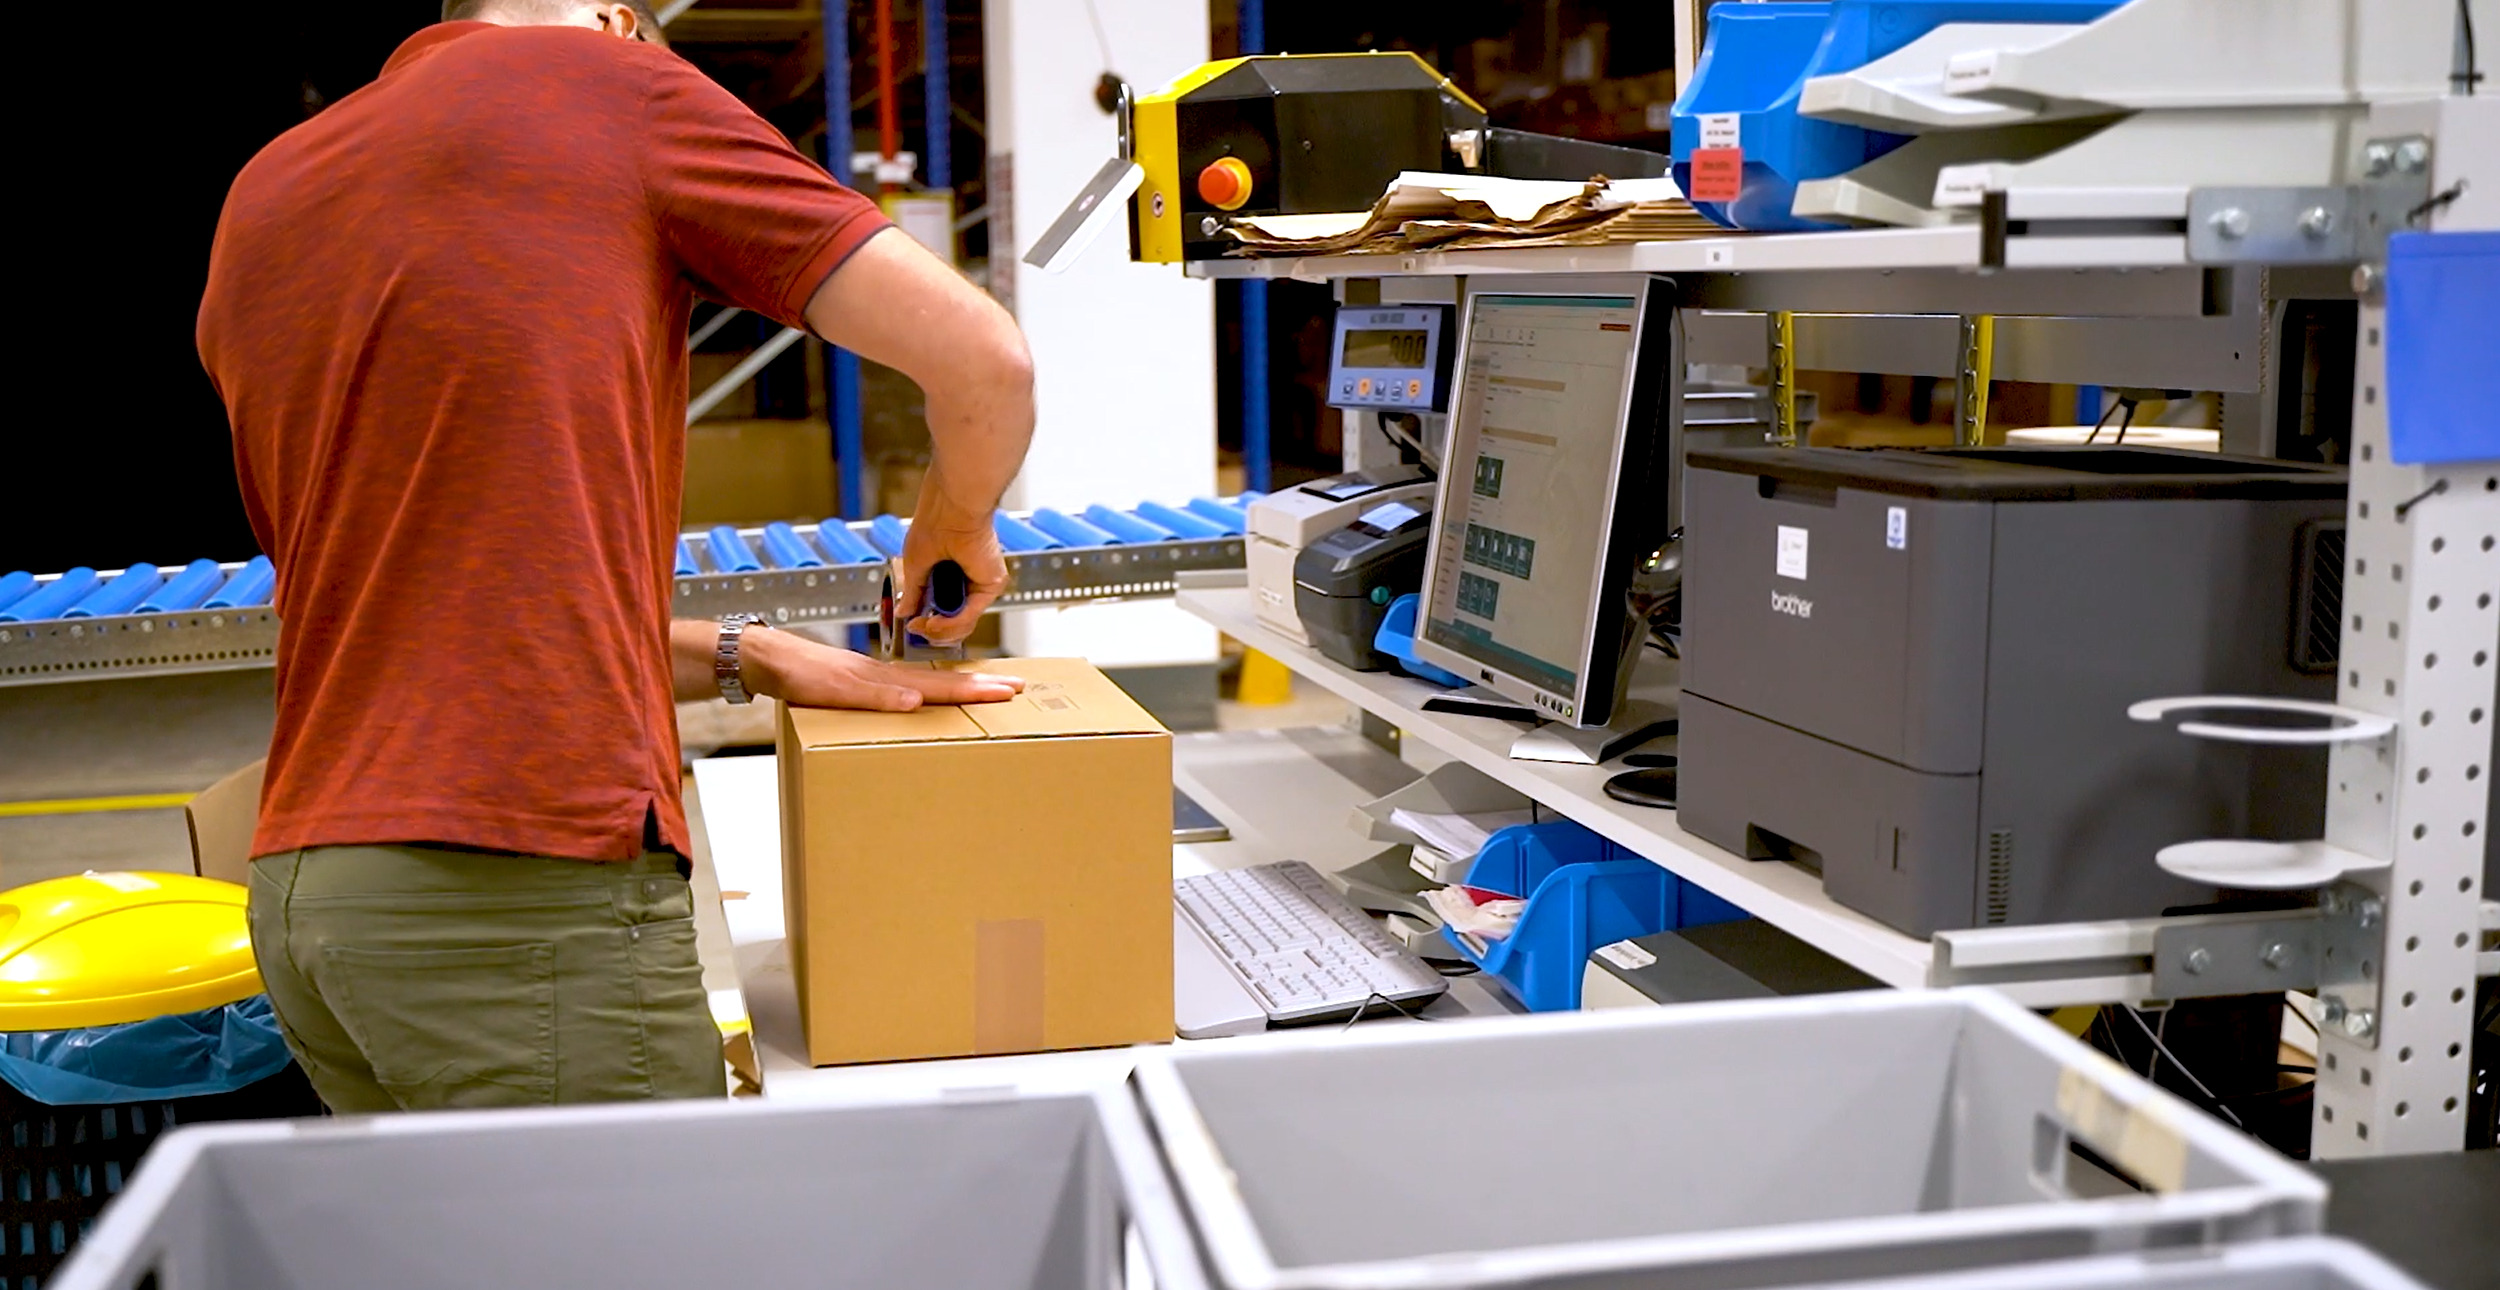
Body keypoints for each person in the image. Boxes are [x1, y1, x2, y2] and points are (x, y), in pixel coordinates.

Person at [196, 0, 1035, 1112]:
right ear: (616, 19)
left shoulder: (269, 187)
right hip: (516, 899)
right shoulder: (612, 84)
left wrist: (753, 654)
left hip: (308, 901)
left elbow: (448, 613)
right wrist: (953, 522)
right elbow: (986, 363)